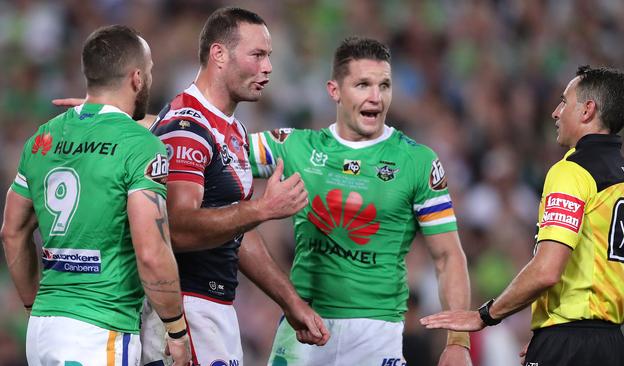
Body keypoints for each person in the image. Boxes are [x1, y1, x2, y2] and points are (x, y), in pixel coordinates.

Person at [248, 37, 473, 366]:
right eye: (363, 85)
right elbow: (217, 146)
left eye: (384, 86)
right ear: (334, 90)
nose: (376, 97)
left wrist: (458, 342)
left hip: (376, 334)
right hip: (304, 328)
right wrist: (160, 126)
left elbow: (448, 257)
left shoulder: (418, 162)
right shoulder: (295, 147)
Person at [420, 66, 624, 366]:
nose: (556, 112)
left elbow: (547, 269)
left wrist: (486, 315)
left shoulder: (572, 171)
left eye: (565, 102)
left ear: (587, 110)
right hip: (611, 345)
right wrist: (590, 329)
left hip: (567, 343)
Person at [141, 7, 329, 365]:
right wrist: (263, 209)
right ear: (219, 54)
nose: (268, 67)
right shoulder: (187, 125)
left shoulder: (232, 130)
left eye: (269, 56)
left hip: (213, 311)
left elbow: (236, 231)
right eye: (257, 55)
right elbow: (176, 228)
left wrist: (290, 301)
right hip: (183, 313)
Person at [1, 25, 191, 365]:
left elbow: (12, 232)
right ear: (136, 78)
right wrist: (176, 329)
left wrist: (35, 305)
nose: (149, 78)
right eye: (148, 72)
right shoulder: (141, 146)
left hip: (44, 330)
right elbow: (151, 252)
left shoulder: (42, 138)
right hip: (100, 328)